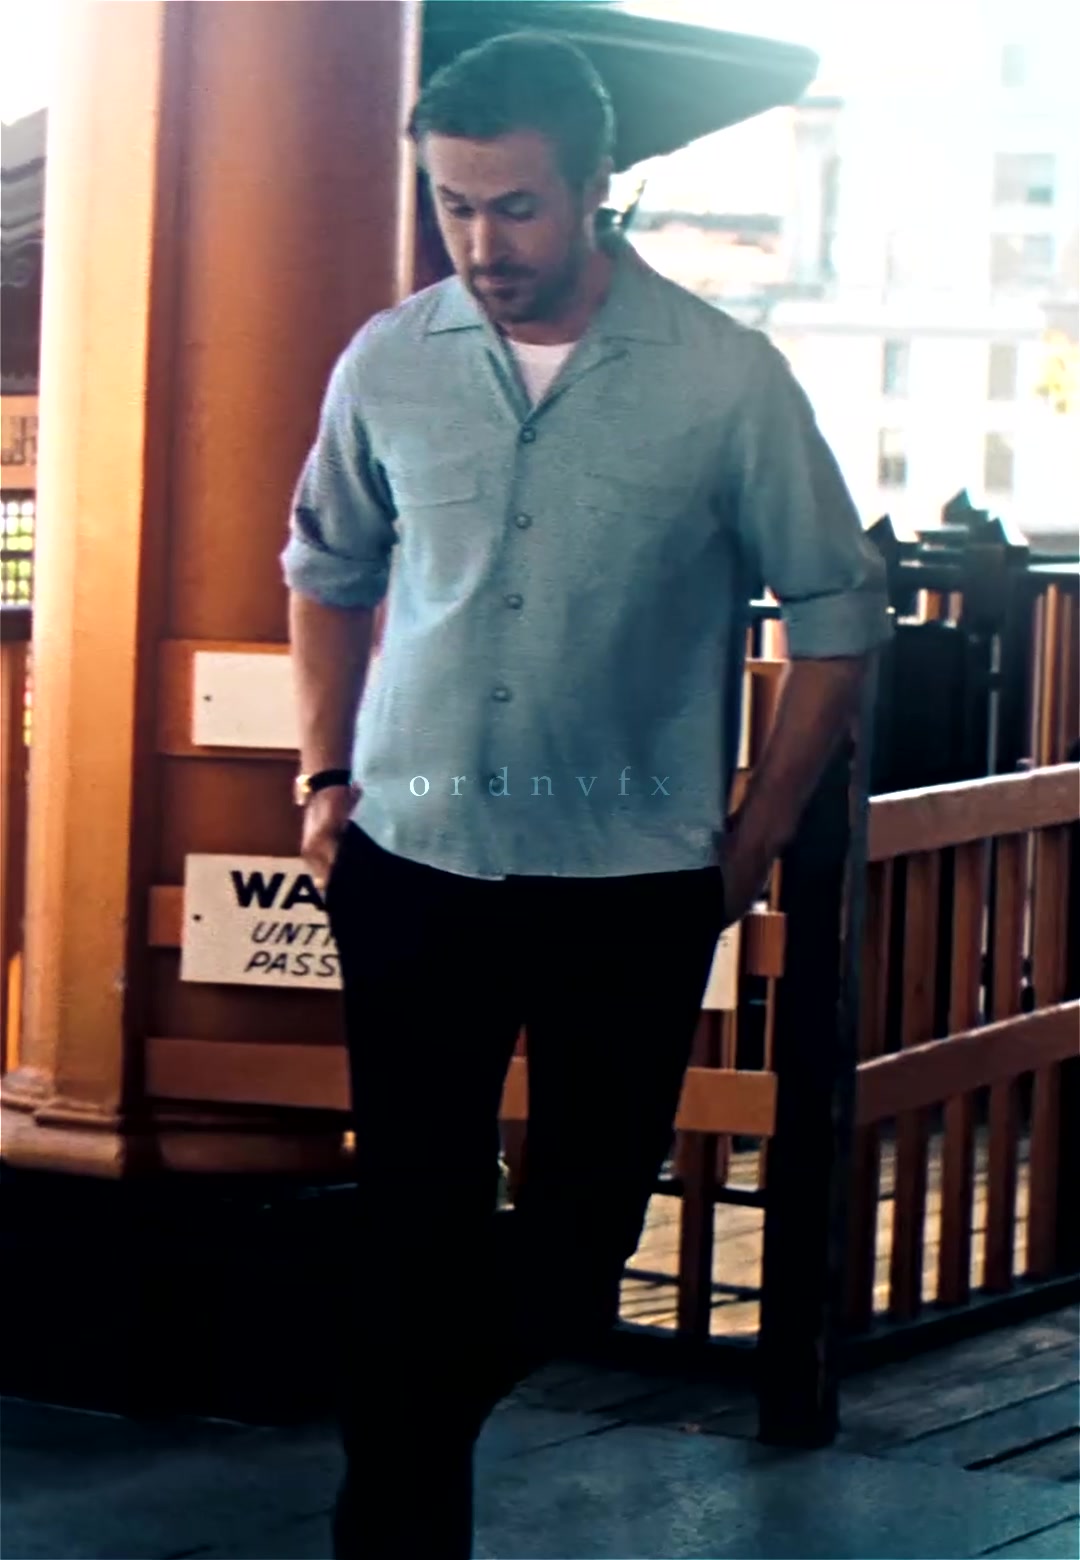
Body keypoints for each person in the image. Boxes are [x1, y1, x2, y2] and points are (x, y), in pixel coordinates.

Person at [281, 29, 891, 1558]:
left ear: (597, 187)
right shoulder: (389, 360)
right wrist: (325, 774)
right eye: (455, 205)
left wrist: (754, 833)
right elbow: (326, 569)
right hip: (411, 859)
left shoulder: (726, 380)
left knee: (575, 1248)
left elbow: (840, 616)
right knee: (409, 1225)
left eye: (518, 206)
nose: (483, 243)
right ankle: (396, 1535)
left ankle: (401, 1451)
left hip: (629, 881)